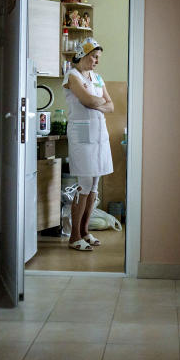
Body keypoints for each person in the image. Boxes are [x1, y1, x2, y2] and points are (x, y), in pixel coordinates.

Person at [63, 38, 114, 251]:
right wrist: (99, 102)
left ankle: (84, 231)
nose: (96, 61)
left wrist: (98, 103)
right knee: (84, 183)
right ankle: (74, 236)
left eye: (98, 57)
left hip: (99, 133)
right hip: (82, 134)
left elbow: (111, 106)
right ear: (82, 55)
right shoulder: (72, 76)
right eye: (94, 56)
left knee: (94, 185)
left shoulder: (97, 77)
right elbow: (89, 101)